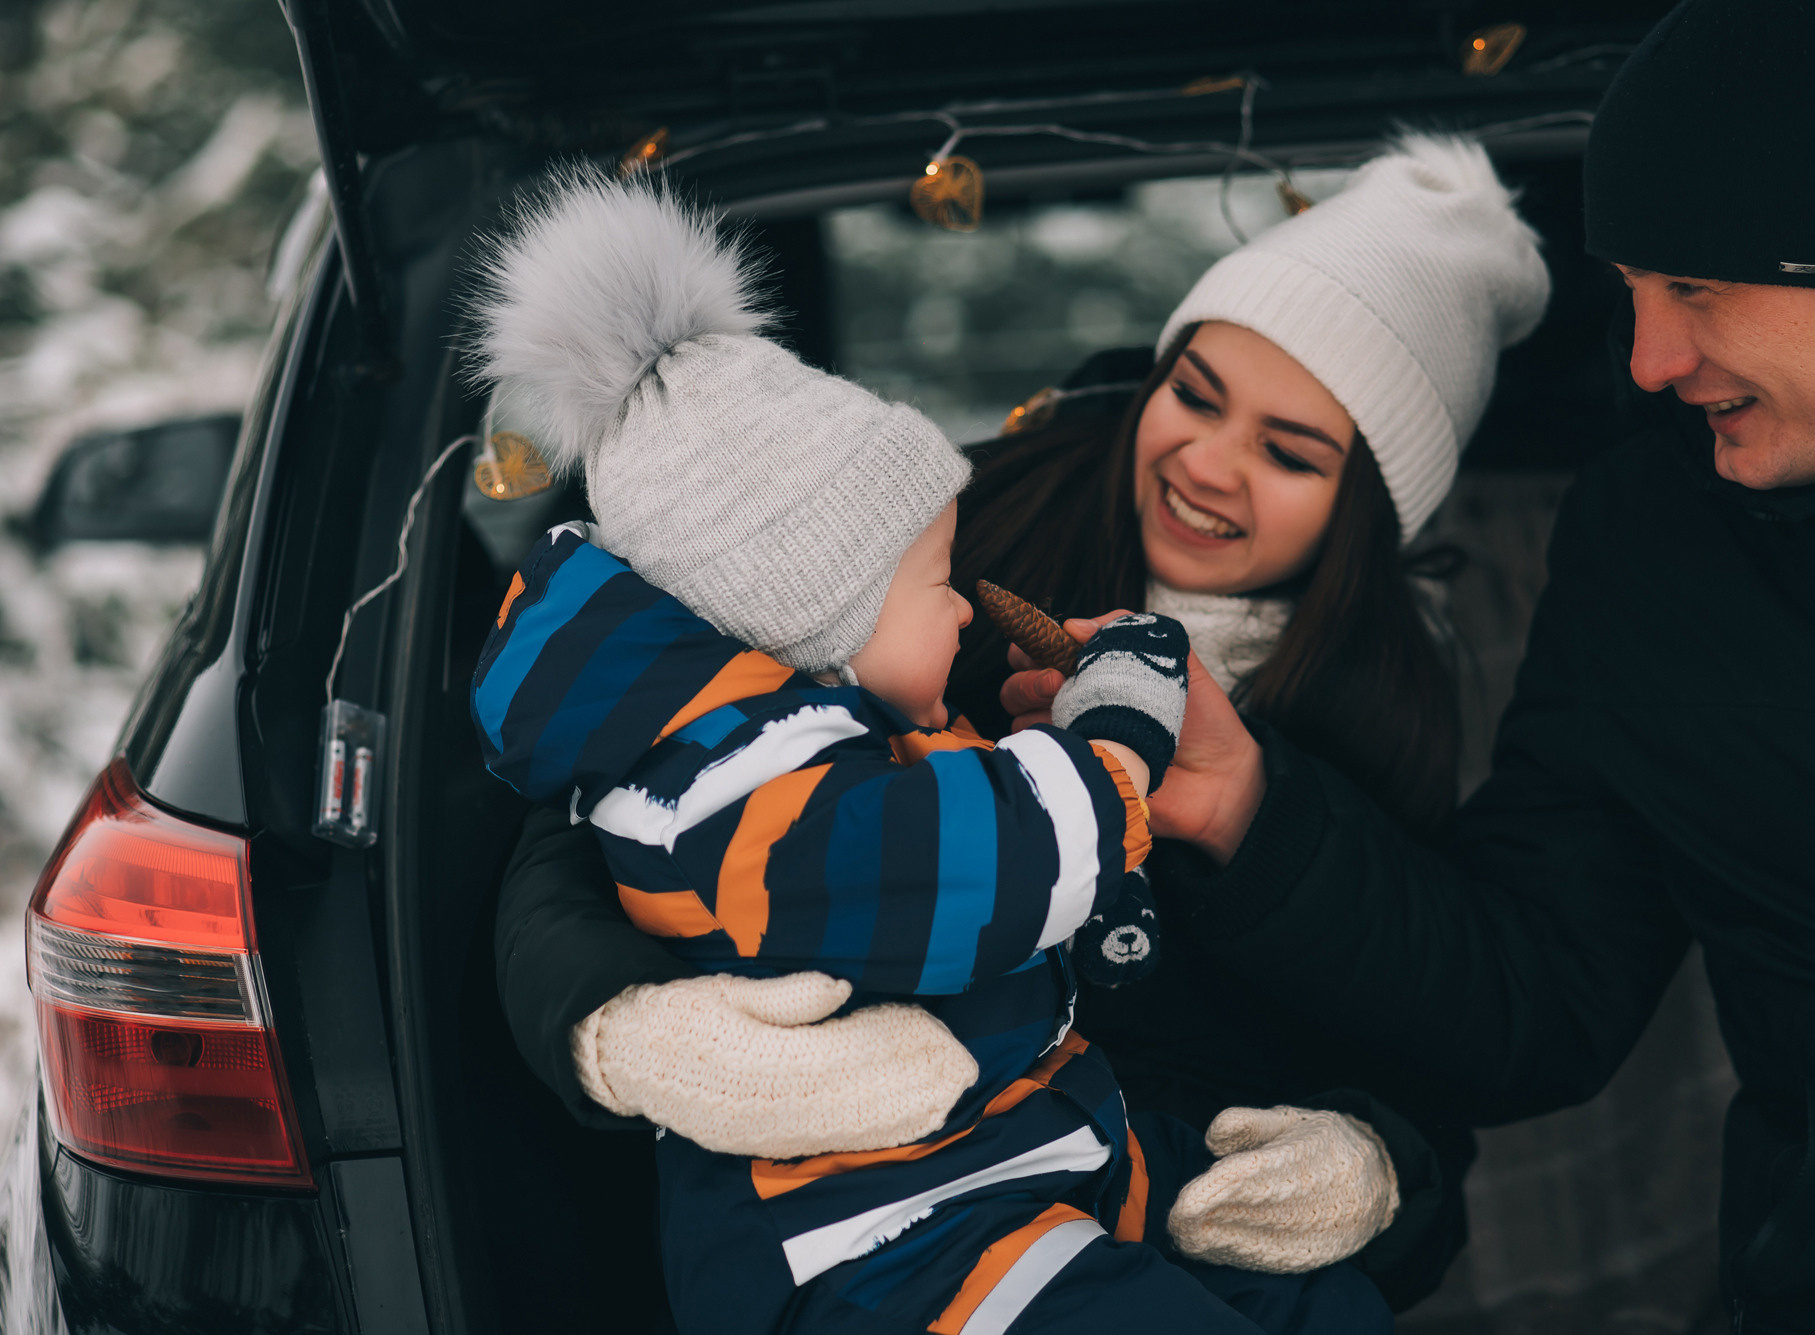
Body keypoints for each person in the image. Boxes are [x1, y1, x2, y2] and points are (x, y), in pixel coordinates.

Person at [1000, 2, 1815, 1330]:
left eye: (1697, 288)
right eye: (1636, 290)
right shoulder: (1655, 538)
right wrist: (1252, 809)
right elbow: (1537, 989)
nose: (1651, 361)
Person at [488, 133, 1551, 1314]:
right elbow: (637, 785)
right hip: (889, 1213)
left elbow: (1433, 1029)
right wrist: (615, 1021)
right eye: (1192, 395)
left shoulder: (1389, 702)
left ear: (1368, 509)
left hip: (1130, 1181)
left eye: (1288, 454)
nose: (1206, 462)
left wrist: (1379, 1169)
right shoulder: (942, 528)